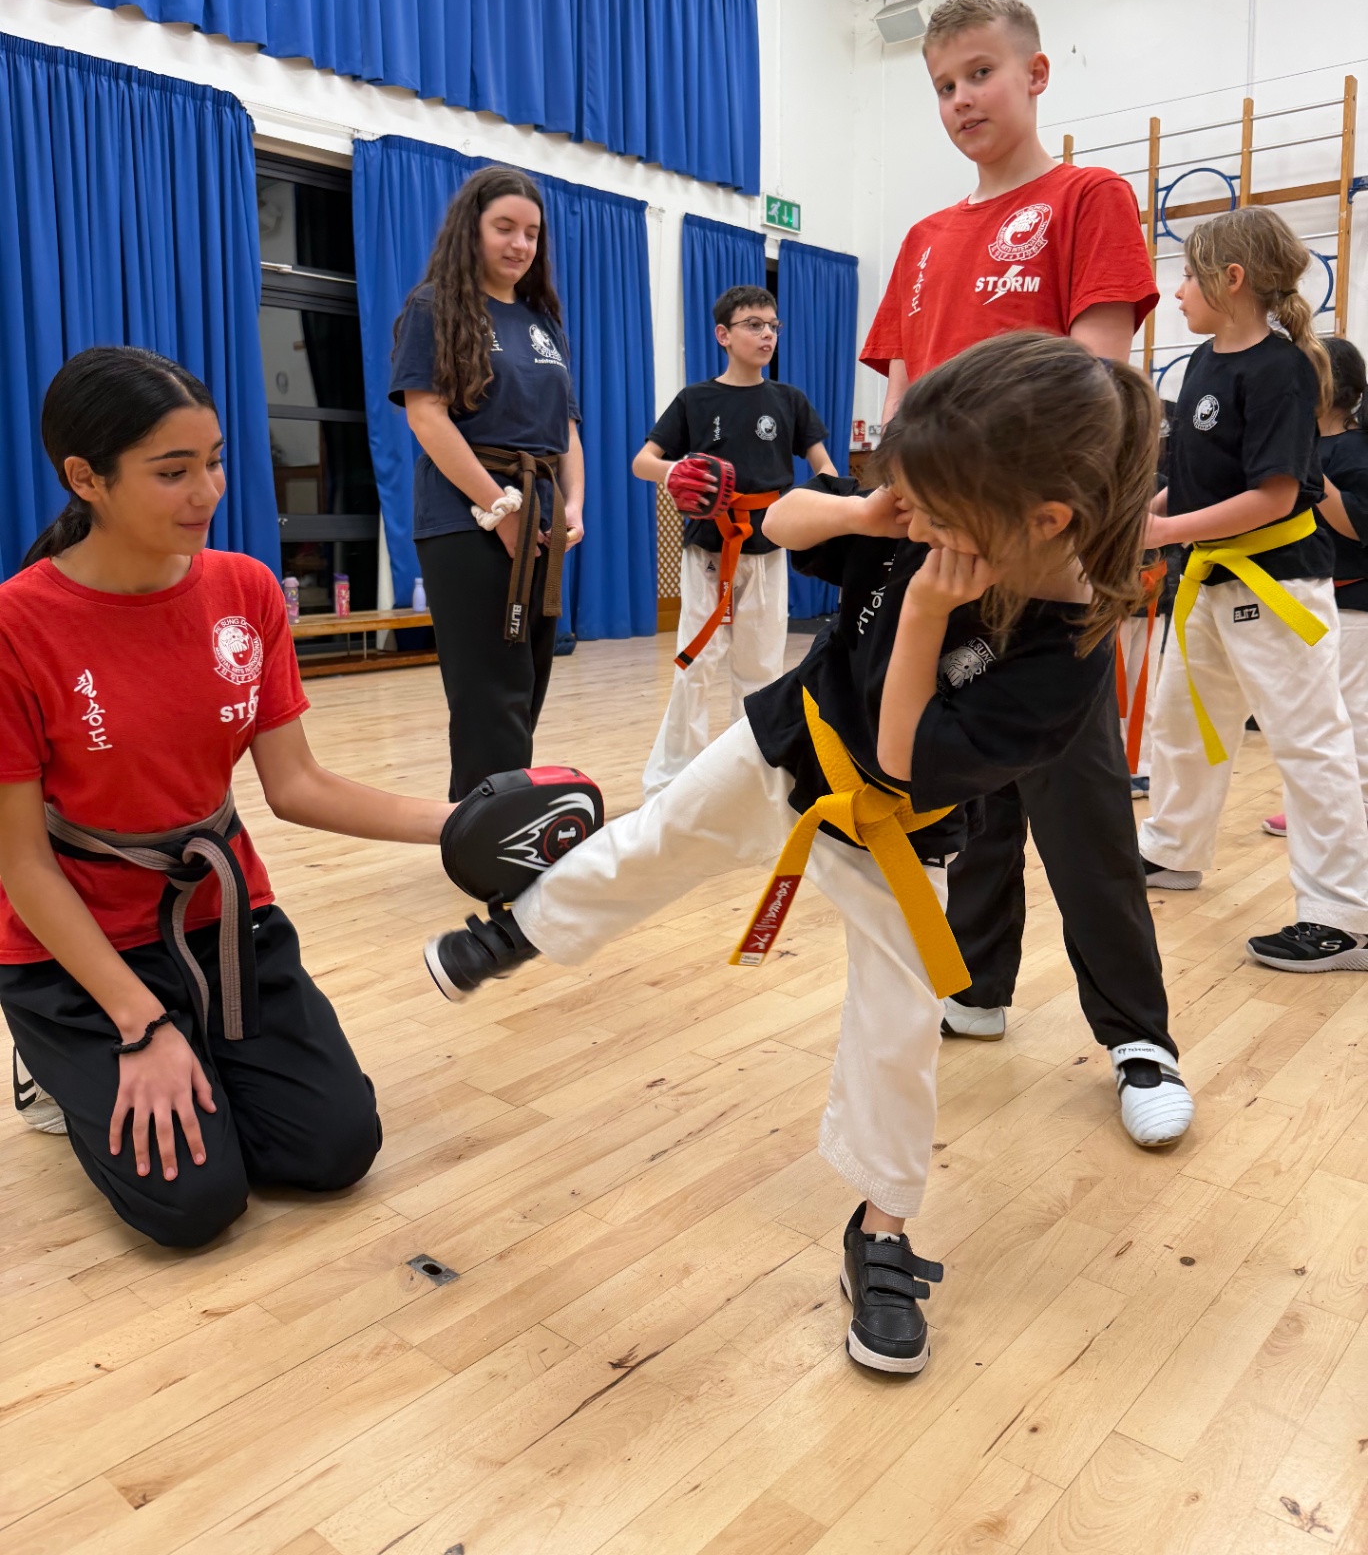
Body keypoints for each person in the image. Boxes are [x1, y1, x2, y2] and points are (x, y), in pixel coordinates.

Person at [425, 333, 1167, 1375]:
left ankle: (883, 1230)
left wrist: (920, 617)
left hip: (895, 832)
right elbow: (775, 520)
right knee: (656, 840)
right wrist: (865, 514)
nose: (914, 520)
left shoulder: (1065, 656)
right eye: (904, 497)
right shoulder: (934, 515)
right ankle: (524, 926)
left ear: (1044, 521)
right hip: (787, 741)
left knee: (898, 1027)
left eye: (928, 506)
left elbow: (905, 770)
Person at [0, 349, 455, 1248]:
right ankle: (51, 1063)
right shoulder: (20, 627)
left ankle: (200, 1047)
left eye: (212, 460)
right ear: (84, 478)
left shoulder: (245, 590)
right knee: (193, 1206)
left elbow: (297, 786)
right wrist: (140, 1023)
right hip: (79, 950)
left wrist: (465, 821)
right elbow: (20, 863)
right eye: (172, 472)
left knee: (335, 1151)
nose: (205, 489)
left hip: (223, 922)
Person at [858, 0, 1188, 1142]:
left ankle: (1138, 1036)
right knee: (964, 778)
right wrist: (889, 503)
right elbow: (901, 400)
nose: (961, 100)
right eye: (943, 84)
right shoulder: (922, 240)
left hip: (1045, 557)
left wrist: (1014, 516)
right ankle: (981, 983)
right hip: (939, 547)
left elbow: (1094, 381)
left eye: (981, 74)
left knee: (1076, 798)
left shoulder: (1083, 199)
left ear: (1036, 74)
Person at [1138, 212, 1368, 971]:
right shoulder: (1203, 362)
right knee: (1178, 721)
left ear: (1231, 280)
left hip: (1278, 584)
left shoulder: (1285, 368)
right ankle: (1173, 847)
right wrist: (1149, 515)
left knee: (1309, 745)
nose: (1177, 291)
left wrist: (1165, 536)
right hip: (1207, 576)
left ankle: (1346, 916)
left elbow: (1274, 495)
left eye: (1189, 275)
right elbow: (1201, 476)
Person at [391, 166, 585, 801]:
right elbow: (426, 414)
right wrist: (499, 507)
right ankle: (489, 832)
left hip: (540, 512)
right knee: (489, 685)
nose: (520, 244)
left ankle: (495, 814)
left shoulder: (541, 318)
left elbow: (567, 430)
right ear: (470, 229)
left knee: (527, 678)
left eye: (531, 232)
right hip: (466, 515)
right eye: (504, 227)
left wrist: (574, 504)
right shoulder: (434, 307)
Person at [634, 285, 833, 797]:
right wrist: (680, 471)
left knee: (762, 670)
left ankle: (748, 778)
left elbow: (825, 470)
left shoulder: (788, 400)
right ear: (723, 334)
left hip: (768, 549)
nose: (766, 333)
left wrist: (830, 508)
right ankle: (672, 782)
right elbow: (643, 462)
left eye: (773, 325)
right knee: (694, 665)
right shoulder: (696, 400)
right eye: (753, 324)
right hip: (709, 549)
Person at [1263, 336, 1368, 838]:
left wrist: (1311, 469)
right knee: (1308, 718)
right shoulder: (1298, 440)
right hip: (1302, 598)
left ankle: (1360, 807)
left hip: (1353, 604)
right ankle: (1318, 807)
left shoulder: (1356, 450)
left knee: (1354, 716)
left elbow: (1355, 525)